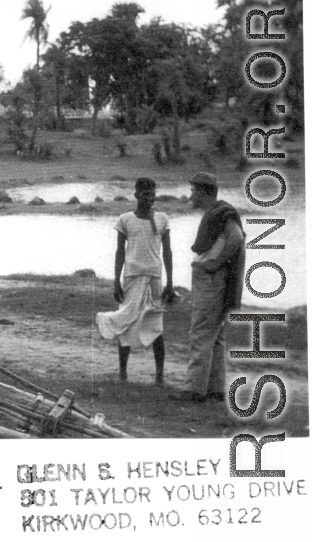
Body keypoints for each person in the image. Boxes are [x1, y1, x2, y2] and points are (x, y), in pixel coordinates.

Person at [170, 172, 245, 403]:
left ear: (204, 192)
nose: (191, 194)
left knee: (201, 333)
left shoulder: (221, 214)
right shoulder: (218, 214)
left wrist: (215, 262)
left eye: (194, 190)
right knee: (215, 335)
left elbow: (236, 237)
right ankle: (214, 389)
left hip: (212, 282)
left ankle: (194, 389)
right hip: (214, 281)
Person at [96, 178, 175, 385]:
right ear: (136, 195)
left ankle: (159, 375)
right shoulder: (125, 220)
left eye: (153, 194)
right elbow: (119, 252)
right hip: (131, 277)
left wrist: (170, 282)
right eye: (145, 195)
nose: (150, 199)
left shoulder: (162, 219)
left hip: (154, 279)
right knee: (126, 321)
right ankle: (123, 373)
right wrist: (116, 281)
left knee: (156, 324)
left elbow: (167, 252)